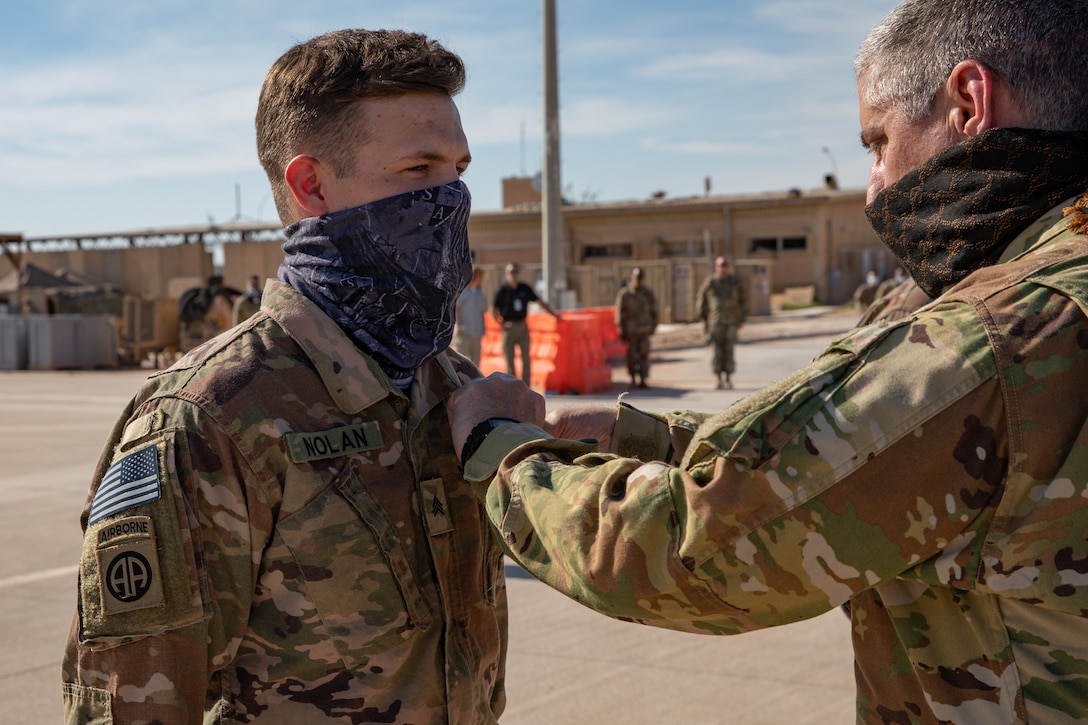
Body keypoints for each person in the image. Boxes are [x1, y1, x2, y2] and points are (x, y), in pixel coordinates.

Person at [448, 1, 1088, 722]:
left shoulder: (997, 342)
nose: (876, 185)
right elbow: (863, 456)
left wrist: (499, 450)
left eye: (878, 141)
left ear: (969, 103)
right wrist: (651, 440)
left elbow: (689, 548)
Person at [62, 29, 509, 724]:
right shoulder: (209, 420)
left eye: (459, 168)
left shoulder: (448, 385)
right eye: (418, 170)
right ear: (311, 185)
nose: (451, 197)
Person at [491, 262, 559, 386]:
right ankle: (511, 386)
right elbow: (494, 310)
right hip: (508, 326)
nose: (513, 274)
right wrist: (501, 324)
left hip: (522, 325)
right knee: (509, 359)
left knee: (526, 358)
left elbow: (539, 301)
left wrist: (553, 314)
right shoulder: (502, 291)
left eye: (515, 271)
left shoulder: (524, 288)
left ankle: (526, 385)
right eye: (510, 272)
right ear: (506, 274)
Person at [695, 256, 747, 389]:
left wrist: (742, 319)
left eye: (725, 266)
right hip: (715, 322)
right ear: (716, 267)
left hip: (731, 322)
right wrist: (703, 319)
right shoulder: (711, 282)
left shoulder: (735, 282)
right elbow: (702, 300)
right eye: (720, 266)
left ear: (728, 267)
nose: (723, 268)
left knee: (729, 350)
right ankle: (718, 378)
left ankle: (728, 378)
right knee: (717, 351)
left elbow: (744, 301)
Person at [614, 267, 658, 388]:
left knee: (644, 354)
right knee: (632, 355)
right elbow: (619, 312)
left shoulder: (647, 293)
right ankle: (633, 378)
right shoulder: (626, 293)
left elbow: (654, 311)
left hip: (644, 329)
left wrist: (654, 326)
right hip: (631, 330)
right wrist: (620, 328)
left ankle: (643, 379)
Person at [453, 266, 486, 365]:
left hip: (476, 332)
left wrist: (483, 328)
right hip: (464, 332)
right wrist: (458, 327)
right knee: (461, 361)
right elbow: (457, 309)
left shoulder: (480, 294)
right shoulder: (462, 292)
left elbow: (482, 312)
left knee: (476, 361)